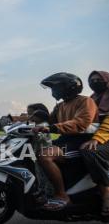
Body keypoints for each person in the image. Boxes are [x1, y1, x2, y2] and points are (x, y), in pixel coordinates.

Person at [33, 72, 98, 211]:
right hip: (65, 140)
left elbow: (81, 123)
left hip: (81, 140)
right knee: (33, 154)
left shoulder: (85, 101)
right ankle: (45, 190)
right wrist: (27, 122)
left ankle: (62, 196)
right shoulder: (60, 106)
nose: (53, 91)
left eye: (56, 87)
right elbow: (49, 121)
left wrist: (51, 127)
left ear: (69, 87)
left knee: (45, 156)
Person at [80, 70, 109, 216]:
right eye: (92, 80)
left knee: (90, 151)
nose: (94, 82)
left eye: (98, 79)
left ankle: (106, 193)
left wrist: (96, 139)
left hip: (104, 137)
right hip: (94, 135)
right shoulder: (92, 98)